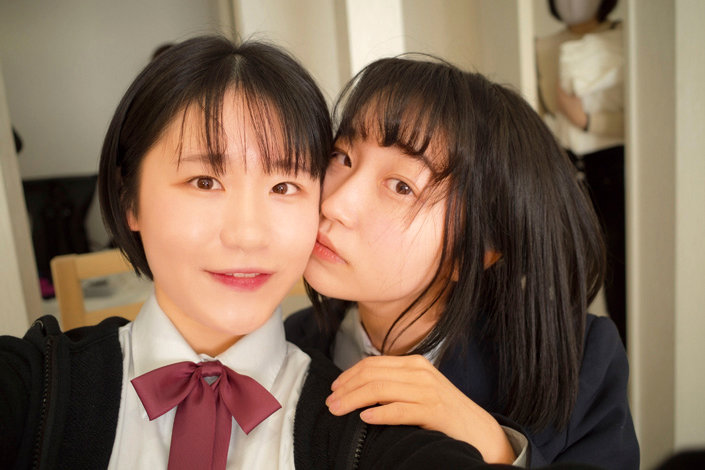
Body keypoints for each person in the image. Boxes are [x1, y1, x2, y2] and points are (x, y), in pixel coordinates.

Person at [0, 36, 493, 470]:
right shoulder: (32, 389)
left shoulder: (366, 423)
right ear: (130, 200)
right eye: (204, 181)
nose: (247, 235)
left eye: (283, 186)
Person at [285, 54, 639, 469]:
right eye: (342, 157)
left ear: (476, 249)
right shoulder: (290, 345)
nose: (334, 203)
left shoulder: (574, 364)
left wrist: (497, 447)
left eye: (401, 186)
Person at [535, 0, 627, 345]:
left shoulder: (625, 38)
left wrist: (587, 121)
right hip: (564, 166)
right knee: (562, 271)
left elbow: (644, 113)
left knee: (621, 274)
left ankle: (623, 357)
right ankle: (560, 356)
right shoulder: (544, 46)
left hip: (614, 166)